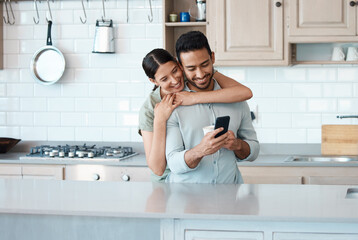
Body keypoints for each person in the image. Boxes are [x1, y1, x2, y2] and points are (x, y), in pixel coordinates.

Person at [139, 48, 253, 182]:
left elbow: (245, 92)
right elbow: (157, 169)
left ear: (179, 64)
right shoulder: (150, 108)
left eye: (175, 70)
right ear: (154, 81)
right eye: (164, 79)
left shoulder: (193, 74)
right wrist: (160, 119)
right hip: (167, 182)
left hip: (196, 177)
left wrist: (194, 97)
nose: (175, 80)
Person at [165, 31, 260, 183]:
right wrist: (200, 150)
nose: (200, 74)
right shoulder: (174, 105)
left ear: (213, 58)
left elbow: (254, 151)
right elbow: (173, 163)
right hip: (187, 200)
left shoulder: (236, 98)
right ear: (180, 66)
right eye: (191, 68)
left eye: (205, 64)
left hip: (229, 197)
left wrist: (237, 145)